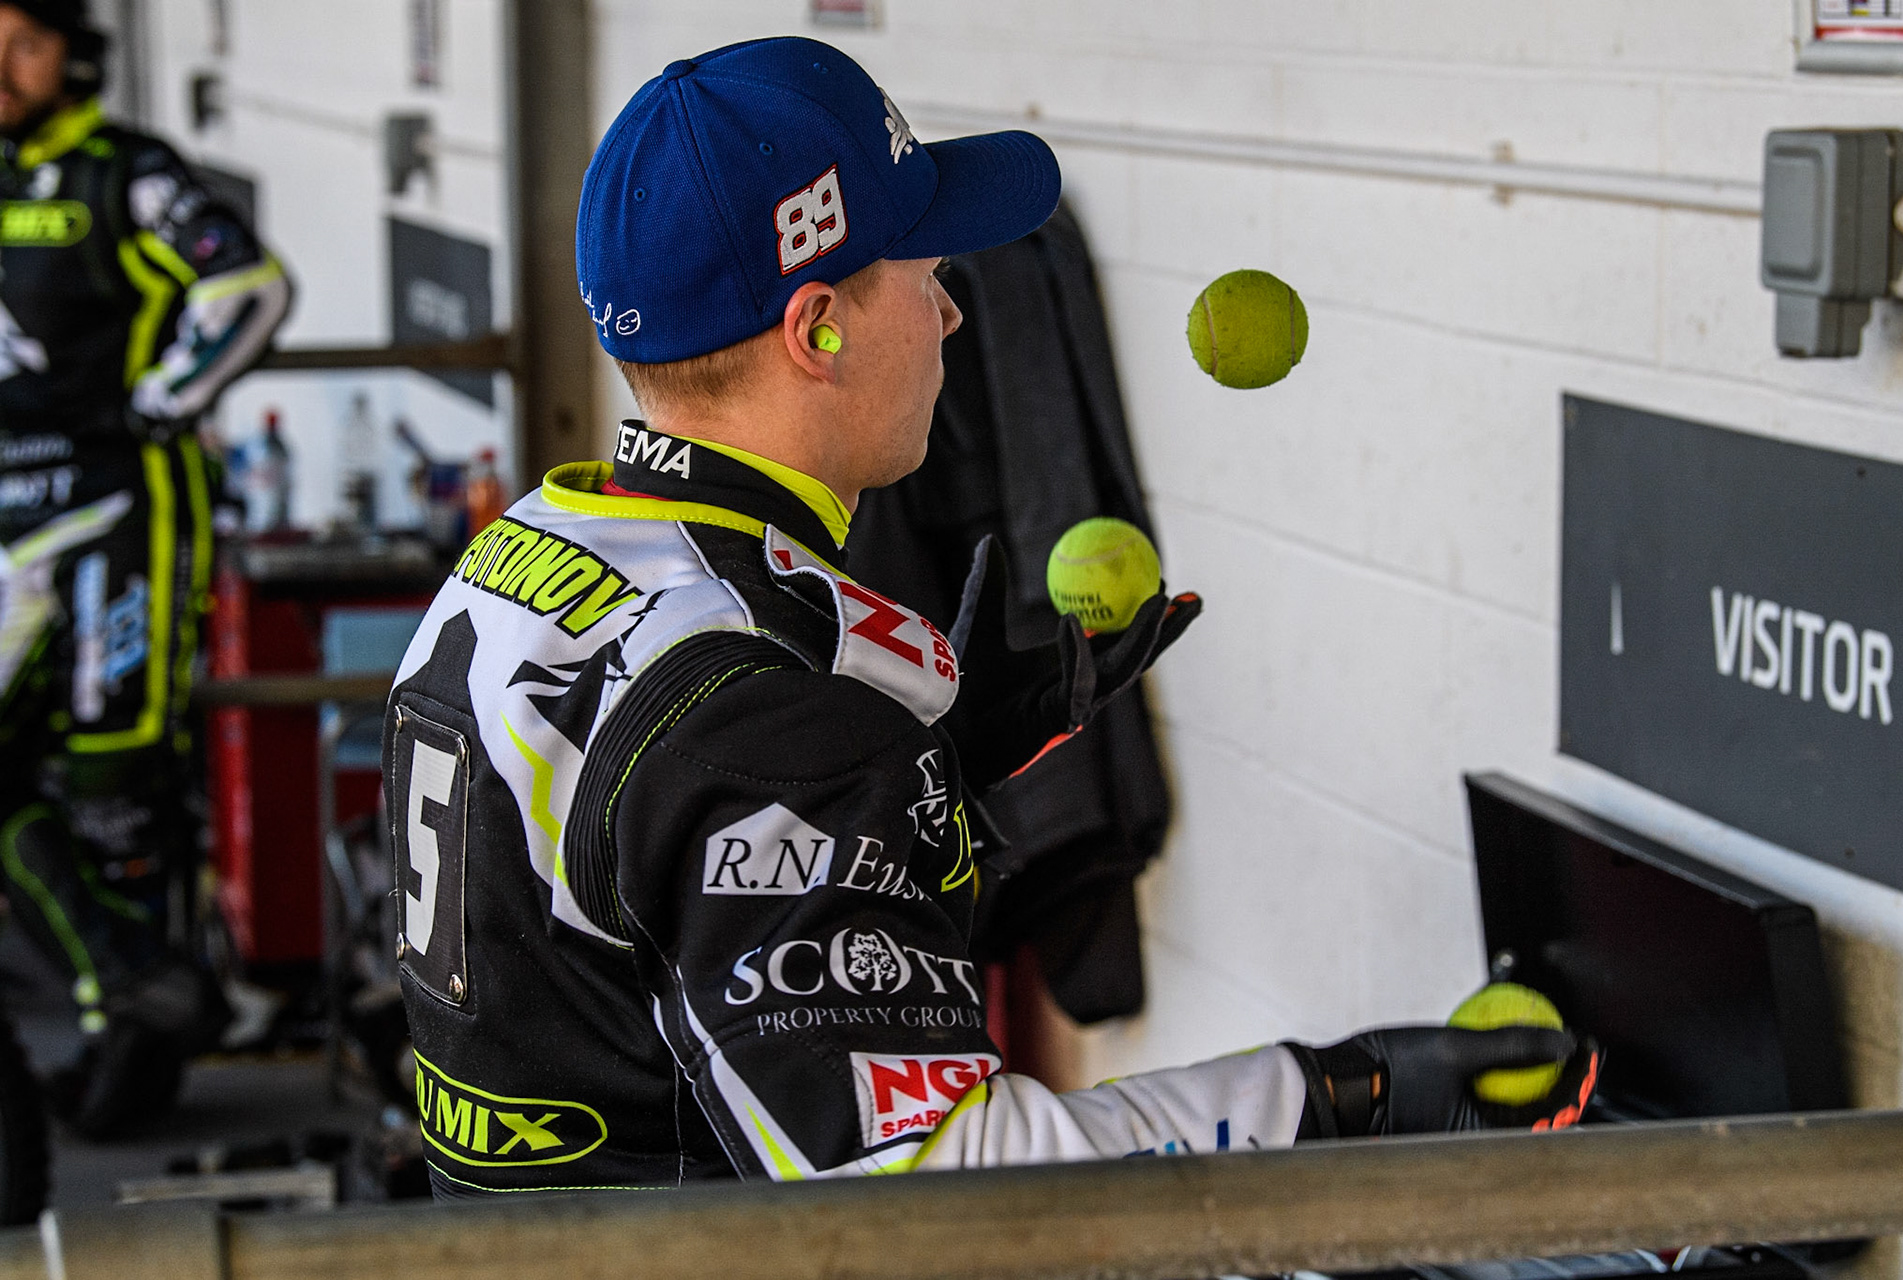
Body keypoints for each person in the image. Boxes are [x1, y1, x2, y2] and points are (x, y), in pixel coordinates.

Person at [387, 36, 1596, 1198]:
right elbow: (954, 1200)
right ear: (818, 328)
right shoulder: (764, 720)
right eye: (930, 278)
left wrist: (948, 755)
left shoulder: (522, 557)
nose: (953, 318)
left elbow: (623, 890)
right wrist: (1336, 1098)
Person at [0, 0, 291, 1136]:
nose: (4, 70)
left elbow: (246, 283)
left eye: (22, 45)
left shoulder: (128, 172)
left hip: (125, 518)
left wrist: (163, 398)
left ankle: (139, 1047)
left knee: (119, 778)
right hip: (16, 525)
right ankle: (128, 983)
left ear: (74, 53)